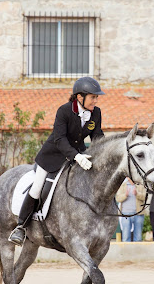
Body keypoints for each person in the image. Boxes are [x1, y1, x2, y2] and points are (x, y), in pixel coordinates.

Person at [9, 77, 105, 246]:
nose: (96, 100)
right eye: (93, 97)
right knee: (38, 186)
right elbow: (60, 139)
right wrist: (77, 156)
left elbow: (97, 136)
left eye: (96, 97)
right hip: (52, 156)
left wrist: (101, 153)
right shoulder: (64, 111)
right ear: (80, 97)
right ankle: (20, 227)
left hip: (78, 155)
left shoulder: (96, 113)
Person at [116, 177, 146, 242]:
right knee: (126, 237)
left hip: (138, 213)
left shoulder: (141, 185)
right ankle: (126, 252)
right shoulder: (122, 185)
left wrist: (137, 194)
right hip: (125, 214)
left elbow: (145, 197)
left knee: (138, 238)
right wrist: (125, 195)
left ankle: (137, 251)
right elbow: (118, 198)